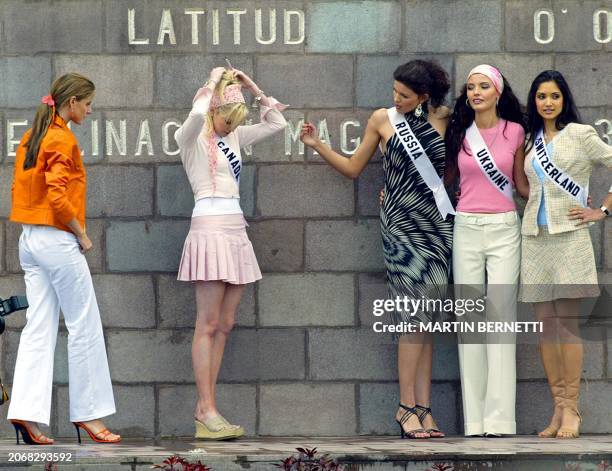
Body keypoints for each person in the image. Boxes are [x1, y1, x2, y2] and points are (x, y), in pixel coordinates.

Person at [301, 60, 455, 439]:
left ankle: (424, 406)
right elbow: (354, 167)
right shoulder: (382, 120)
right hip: (400, 228)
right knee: (411, 316)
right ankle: (405, 407)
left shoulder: (446, 118)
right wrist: (318, 144)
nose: (396, 99)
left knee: (429, 318)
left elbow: (454, 168)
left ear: (424, 96)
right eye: (394, 91)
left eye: (404, 95)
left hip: (436, 226)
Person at [175, 66, 287, 440]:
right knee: (206, 324)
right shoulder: (190, 137)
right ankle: (205, 408)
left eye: (236, 121)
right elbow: (194, 118)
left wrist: (254, 88)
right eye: (226, 119)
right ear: (213, 110)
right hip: (208, 229)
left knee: (225, 325)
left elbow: (277, 125)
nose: (230, 127)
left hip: (236, 229)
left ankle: (207, 408)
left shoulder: (236, 135)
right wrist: (210, 84)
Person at [8, 73, 120, 445]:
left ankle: (25, 412)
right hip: (57, 240)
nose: (89, 110)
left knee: (38, 326)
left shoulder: (33, 136)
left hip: (30, 240)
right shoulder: (60, 138)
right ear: (72, 103)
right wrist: (82, 234)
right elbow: (58, 198)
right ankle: (89, 415)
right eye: (87, 103)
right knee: (83, 324)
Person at [521, 70, 612, 439]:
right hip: (536, 239)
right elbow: (524, 186)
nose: (547, 102)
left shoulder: (581, 134)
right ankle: (557, 409)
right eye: (541, 96)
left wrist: (602, 210)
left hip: (571, 239)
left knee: (568, 327)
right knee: (546, 329)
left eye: (554, 96)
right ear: (535, 100)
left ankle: (572, 409)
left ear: (564, 99)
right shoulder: (530, 140)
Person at [444, 64, 529, 437]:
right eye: (470, 87)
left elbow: (523, 183)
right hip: (466, 227)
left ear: (497, 91)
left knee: (500, 320)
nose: (475, 92)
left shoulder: (516, 132)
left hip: (504, 228)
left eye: (483, 86)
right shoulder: (460, 133)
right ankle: (475, 421)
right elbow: (446, 179)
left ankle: (500, 420)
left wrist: (562, 200)